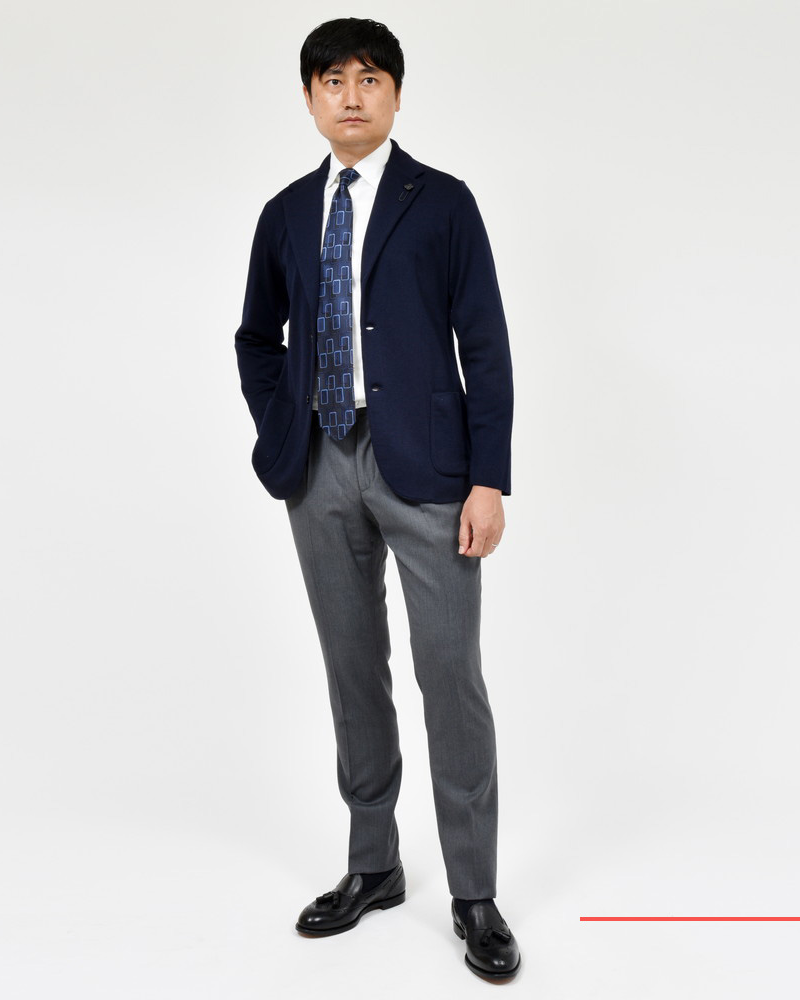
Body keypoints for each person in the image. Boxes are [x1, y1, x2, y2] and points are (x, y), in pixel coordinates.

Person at [234, 17, 520, 983]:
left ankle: (474, 892)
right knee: (352, 671)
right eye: (333, 81)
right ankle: (374, 864)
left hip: (430, 473)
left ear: (395, 93)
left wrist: (488, 478)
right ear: (309, 98)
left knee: (451, 676)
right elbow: (257, 338)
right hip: (319, 466)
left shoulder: (442, 203)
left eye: (369, 79)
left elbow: (485, 345)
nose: (351, 96)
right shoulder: (285, 213)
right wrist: (283, 428)